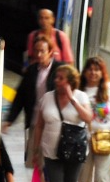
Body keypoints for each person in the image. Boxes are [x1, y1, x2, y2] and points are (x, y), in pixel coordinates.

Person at [31, 64, 94, 182]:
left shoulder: (81, 97)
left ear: (70, 81)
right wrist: (36, 149)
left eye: (61, 78)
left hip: (74, 152)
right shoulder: (47, 98)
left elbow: (88, 118)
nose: (56, 80)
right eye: (56, 77)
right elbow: (40, 125)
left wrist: (72, 99)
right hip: (52, 152)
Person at [5, 36, 67, 167]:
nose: (39, 54)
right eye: (36, 51)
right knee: (34, 161)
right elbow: (20, 96)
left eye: (42, 51)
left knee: (50, 162)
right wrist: (10, 119)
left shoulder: (60, 70)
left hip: (54, 125)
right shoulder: (31, 71)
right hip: (35, 122)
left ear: (50, 52)